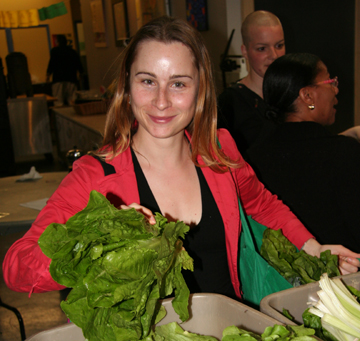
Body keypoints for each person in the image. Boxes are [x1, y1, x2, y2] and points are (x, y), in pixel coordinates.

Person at [3, 17, 359, 300]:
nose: (161, 101)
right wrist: (98, 240)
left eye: (178, 83)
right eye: (147, 81)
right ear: (127, 88)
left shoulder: (218, 150)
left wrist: (313, 246)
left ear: (200, 89)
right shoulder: (97, 175)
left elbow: (261, 204)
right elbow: (17, 267)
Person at [245, 52, 360, 252]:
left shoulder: (252, 159)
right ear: (307, 95)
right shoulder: (344, 154)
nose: (336, 89)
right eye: (330, 81)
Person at [217, 10, 285, 154]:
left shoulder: (293, 94)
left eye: (279, 46)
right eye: (262, 49)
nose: (274, 55)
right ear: (245, 51)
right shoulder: (229, 103)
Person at [46, 34, 83, 107]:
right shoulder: (72, 51)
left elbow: (51, 63)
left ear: (58, 42)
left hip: (58, 78)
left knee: (58, 100)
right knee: (72, 100)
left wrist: (48, 75)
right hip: (71, 78)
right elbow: (78, 64)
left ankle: (60, 117)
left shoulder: (55, 51)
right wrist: (81, 74)